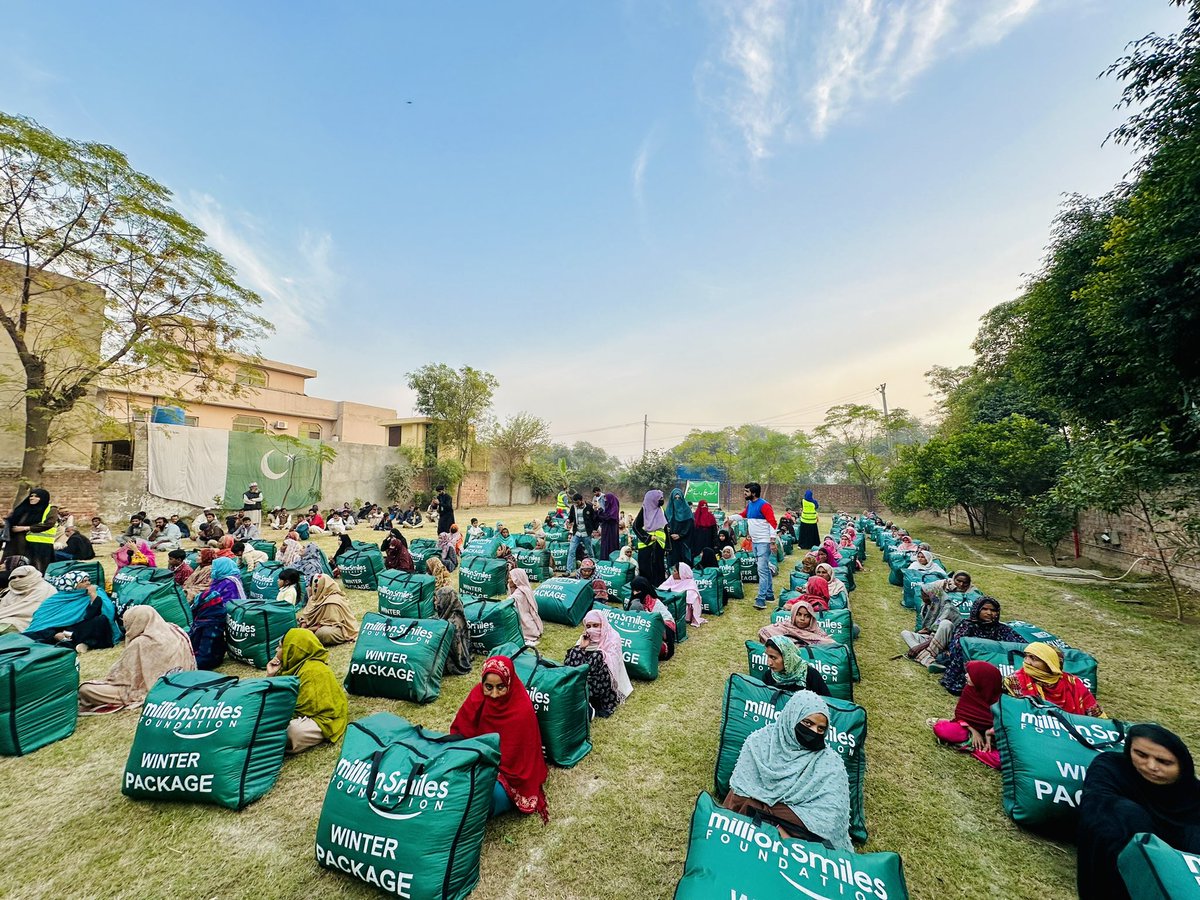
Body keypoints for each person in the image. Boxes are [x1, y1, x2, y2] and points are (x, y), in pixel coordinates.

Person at [1076, 724, 1200, 900]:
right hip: (1120, 850)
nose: (1151, 766)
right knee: (1122, 814)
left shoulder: (1193, 794)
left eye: (1164, 762)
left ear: (1182, 766)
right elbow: (1095, 803)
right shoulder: (1112, 767)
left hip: (1179, 875)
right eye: (1141, 755)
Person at [723, 690, 851, 848]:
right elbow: (740, 791)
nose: (813, 732)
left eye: (820, 729)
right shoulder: (759, 742)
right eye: (808, 723)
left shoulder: (831, 763)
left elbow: (831, 818)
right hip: (770, 818)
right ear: (792, 717)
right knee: (741, 800)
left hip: (801, 821)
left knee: (749, 806)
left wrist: (767, 812)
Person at [451, 656, 550, 821]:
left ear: (509, 684)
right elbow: (461, 733)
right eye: (488, 687)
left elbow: (520, 762)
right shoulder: (477, 697)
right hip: (477, 760)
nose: (494, 694)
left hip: (508, 775)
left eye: (501, 687)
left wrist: (487, 770)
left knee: (482, 798)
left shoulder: (520, 709)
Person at [77, 606, 196, 714]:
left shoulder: (140, 643)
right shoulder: (176, 630)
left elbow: (122, 678)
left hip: (150, 690)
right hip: (182, 681)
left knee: (85, 689)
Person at [266, 628, 349, 754]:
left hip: (321, 719)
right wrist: (271, 676)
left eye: (280, 647)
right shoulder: (288, 668)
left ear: (292, 649)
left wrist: (276, 717)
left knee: (293, 732)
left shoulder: (314, 671)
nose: (276, 651)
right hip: (294, 715)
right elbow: (271, 700)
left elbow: (308, 709)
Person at [928, 660, 1003, 768]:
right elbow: (961, 715)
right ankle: (974, 745)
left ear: (982, 679)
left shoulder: (1000, 703)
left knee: (1000, 761)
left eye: (970, 674)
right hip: (968, 731)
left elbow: (1004, 730)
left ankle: (974, 747)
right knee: (941, 729)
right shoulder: (969, 690)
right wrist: (973, 730)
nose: (966, 675)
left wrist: (988, 733)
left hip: (993, 741)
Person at [940, 596, 1021, 694]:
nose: (989, 613)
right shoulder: (967, 625)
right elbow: (958, 645)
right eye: (984, 609)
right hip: (970, 665)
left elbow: (1019, 644)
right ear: (977, 610)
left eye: (993, 610)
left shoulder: (1002, 629)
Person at [1003, 642, 1104, 717]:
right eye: (1026, 656)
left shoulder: (1072, 682)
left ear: (1051, 665)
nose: (1027, 662)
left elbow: (1096, 715)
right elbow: (1013, 715)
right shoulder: (1014, 681)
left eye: (1033, 658)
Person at [25, 572, 119, 652]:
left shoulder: (88, 596)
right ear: (72, 585)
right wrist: (55, 634)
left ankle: (81, 643)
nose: (88, 583)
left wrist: (93, 596)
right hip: (59, 632)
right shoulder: (54, 600)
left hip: (76, 631)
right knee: (41, 634)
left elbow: (90, 616)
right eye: (83, 581)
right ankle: (78, 643)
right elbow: (42, 622)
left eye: (88, 580)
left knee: (101, 621)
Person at [564, 610, 632, 718]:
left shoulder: (613, 637)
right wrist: (582, 647)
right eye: (588, 626)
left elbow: (613, 665)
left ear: (603, 624)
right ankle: (577, 694)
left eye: (596, 625)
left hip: (603, 681)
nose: (592, 629)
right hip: (584, 679)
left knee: (598, 655)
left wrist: (599, 655)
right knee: (575, 651)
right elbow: (570, 663)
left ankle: (586, 698)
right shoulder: (585, 638)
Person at [902, 574, 967, 669]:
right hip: (931, 639)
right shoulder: (929, 606)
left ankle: (925, 658)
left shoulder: (948, 609)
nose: (922, 597)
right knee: (905, 633)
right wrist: (926, 631)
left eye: (924, 595)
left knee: (946, 624)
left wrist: (919, 647)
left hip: (946, 643)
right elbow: (931, 629)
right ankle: (928, 660)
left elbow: (943, 634)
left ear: (933, 596)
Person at [189, 557, 244, 669]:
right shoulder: (219, 580)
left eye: (215, 568)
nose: (213, 570)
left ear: (222, 568)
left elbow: (229, 603)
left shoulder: (230, 582)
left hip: (224, 614)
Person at [423, 558, 471, 675]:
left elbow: (453, 650)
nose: (435, 603)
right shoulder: (451, 613)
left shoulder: (453, 622)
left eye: (437, 600)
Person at [740, 483, 778, 610]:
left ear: (753, 493)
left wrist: (772, 542)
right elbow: (742, 515)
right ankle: (770, 594)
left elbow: (773, 524)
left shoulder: (765, 505)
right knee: (764, 569)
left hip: (764, 542)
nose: (744, 493)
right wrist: (730, 519)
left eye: (746, 491)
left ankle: (761, 599)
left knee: (761, 570)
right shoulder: (750, 505)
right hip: (755, 542)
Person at [4, 488, 58, 572]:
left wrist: (25, 528)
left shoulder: (50, 509)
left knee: (38, 568)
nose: (32, 498)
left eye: (36, 496)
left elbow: (49, 524)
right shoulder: (24, 509)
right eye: (31, 496)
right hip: (18, 543)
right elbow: (12, 521)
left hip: (41, 544)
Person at [297, 575, 359, 646]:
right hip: (313, 628)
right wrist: (303, 626)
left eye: (311, 586)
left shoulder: (334, 601)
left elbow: (331, 623)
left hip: (336, 628)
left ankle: (309, 636)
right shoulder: (313, 599)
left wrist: (307, 630)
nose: (309, 588)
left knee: (323, 633)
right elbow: (305, 616)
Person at [626, 576, 676, 660]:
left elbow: (651, 621)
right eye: (633, 590)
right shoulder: (635, 601)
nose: (634, 593)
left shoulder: (653, 602)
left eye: (637, 591)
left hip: (664, 628)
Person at [760, 636, 830, 696]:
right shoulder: (768, 676)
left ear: (787, 657)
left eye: (773, 658)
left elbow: (827, 703)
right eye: (768, 657)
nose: (769, 663)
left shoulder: (810, 674)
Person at [0, 565, 56, 634]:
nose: (17, 579)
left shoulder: (44, 589)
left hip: (29, 623)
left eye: (21, 576)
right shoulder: (12, 591)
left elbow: (32, 611)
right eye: (13, 577)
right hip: (6, 619)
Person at [759, 599, 837, 647]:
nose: (802, 619)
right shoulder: (785, 626)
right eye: (799, 614)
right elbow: (764, 631)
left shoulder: (816, 630)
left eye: (806, 616)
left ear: (811, 618)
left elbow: (830, 643)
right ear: (793, 615)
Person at [633, 489, 668, 587]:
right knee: (646, 567)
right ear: (652, 499)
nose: (662, 500)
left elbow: (665, 527)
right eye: (660, 498)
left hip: (659, 544)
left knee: (659, 566)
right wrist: (648, 537)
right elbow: (636, 526)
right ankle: (646, 587)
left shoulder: (660, 510)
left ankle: (659, 587)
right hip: (646, 545)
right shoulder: (645, 510)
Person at [660, 561, 705, 627]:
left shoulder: (690, 583)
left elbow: (689, 599)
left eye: (675, 571)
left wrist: (673, 595)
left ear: (681, 573)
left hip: (682, 610)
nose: (672, 573)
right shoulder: (671, 578)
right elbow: (661, 588)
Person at [507, 568, 543, 647]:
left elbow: (509, 602)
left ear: (516, 580)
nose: (508, 580)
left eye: (510, 578)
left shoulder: (520, 593)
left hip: (526, 625)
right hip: (530, 622)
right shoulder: (525, 589)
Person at [564, 493, 599, 574]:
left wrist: (595, 530)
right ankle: (568, 570)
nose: (576, 504)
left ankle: (594, 568)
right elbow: (571, 517)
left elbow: (594, 519)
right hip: (577, 533)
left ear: (582, 500)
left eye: (577, 502)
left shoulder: (589, 507)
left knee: (590, 552)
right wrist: (568, 521)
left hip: (586, 534)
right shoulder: (573, 507)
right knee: (571, 551)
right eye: (575, 503)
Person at [662, 487, 694, 571]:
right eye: (675, 498)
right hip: (671, 542)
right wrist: (669, 534)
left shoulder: (687, 511)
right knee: (672, 565)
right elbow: (664, 526)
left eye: (679, 498)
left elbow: (689, 526)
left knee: (683, 565)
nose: (677, 500)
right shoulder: (668, 511)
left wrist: (680, 535)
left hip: (683, 542)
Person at [598, 491, 621, 560]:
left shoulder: (614, 508)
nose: (605, 501)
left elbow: (610, 517)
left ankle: (612, 558)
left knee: (611, 544)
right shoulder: (606, 507)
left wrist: (601, 514)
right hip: (605, 528)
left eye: (606, 499)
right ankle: (604, 559)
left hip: (612, 529)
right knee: (605, 544)